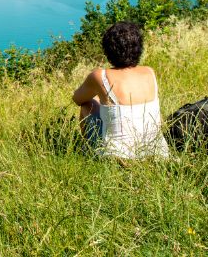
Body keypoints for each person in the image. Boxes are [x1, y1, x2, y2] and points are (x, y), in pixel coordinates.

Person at [72, 21, 169, 159]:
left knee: (88, 104)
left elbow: (77, 99)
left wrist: (99, 97)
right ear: (138, 48)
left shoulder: (100, 76)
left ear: (108, 50)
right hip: (156, 153)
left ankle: (89, 152)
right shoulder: (149, 72)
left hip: (118, 157)